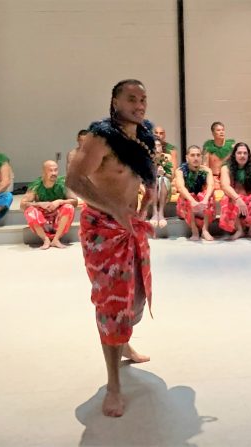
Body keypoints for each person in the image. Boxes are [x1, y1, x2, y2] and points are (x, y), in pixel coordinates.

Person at [67, 79, 156, 418]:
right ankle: (114, 385)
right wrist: (115, 209)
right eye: (131, 98)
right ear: (114, 101)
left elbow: (145, 170)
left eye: (143, 98)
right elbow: (74, 183)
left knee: (136, 295)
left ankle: (125, 342)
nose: (139, 104)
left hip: (132, 226)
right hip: (104, 230)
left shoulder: (143, 134)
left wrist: (149, 189)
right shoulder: (100, 138)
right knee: (112, 304)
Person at [21, 160, 79, 249]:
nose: (54, 173)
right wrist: (39, 204)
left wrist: (60, 201)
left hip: (58, 218)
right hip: (43, 220)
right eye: (50, 170)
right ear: (43, 172)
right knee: (30, 211)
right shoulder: (36, 185)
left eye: (55, 170)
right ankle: (45, 239)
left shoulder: (63, 183)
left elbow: (75, 201)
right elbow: (23, 204)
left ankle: (56, 239)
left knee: (69, 207)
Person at [219, 142, 251, 240]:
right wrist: (237, 198)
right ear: (234, 155)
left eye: (245, 153)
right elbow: (225, 186)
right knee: (226, 197)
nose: (242, 156)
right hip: (236, 200)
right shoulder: (226, 168)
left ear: (249, 155)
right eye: (239, 153)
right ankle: (239, 230)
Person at [174, 145, 216, 242]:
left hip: (202, 203)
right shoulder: (180, 171)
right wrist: (192, 200)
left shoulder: (206, 170)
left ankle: (205, 230)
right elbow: (181, 187)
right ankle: (194, 230)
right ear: (187, 157)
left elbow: (211, 186)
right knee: (189, 196)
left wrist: (205, 200)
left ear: (201, 157)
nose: (196, 158)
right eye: (192, 155)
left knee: (208, 195)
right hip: (187, 203)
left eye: (198, 155)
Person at [148, 127, 177, 229]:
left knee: (162, 179)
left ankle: (161, 213)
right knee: (156, 180)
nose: (157, 148)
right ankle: (155, 212)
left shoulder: (166, 158)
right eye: (155, 146)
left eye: (159, 146)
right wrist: (155, 173)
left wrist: (164, 173)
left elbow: (171, 176)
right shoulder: (147, 158)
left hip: (165, 185)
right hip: (150, 185)